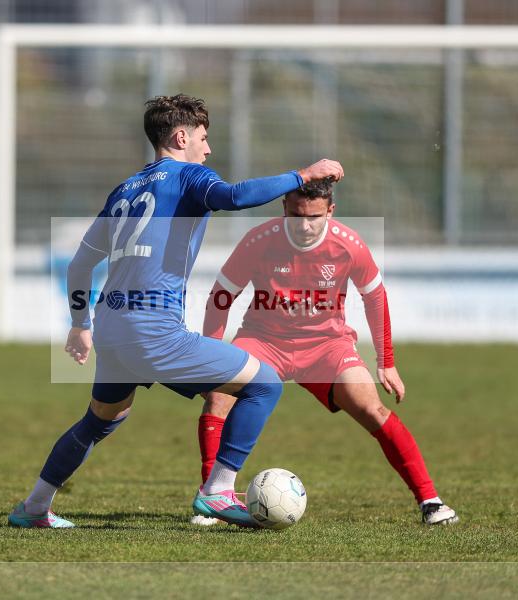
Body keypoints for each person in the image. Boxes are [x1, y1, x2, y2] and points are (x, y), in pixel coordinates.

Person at [8, 94, 344, 528]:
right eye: (203, 139)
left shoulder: (124, 190)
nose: (208, 149)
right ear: (181, 136)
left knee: (102, 418)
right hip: (153, 328)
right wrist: (303, 174)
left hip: (111, 324)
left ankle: (35, 507)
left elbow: (80, 265)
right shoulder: (188, 178)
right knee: (264, 383)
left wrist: (79, 325)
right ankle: (219, 491)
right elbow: (236, 197)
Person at [192, 179, 459, 526]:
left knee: (371, 407)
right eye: (296, 216)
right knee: (218, 398)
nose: (304, 225)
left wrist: (386, 363)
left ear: (330, 211)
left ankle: (430, 501)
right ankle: (215, 497)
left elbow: (375, 297)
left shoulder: (348, 245)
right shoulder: (259, 241)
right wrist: (212, 357)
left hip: (326, 347)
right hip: (263, 340)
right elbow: (221, 295)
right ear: (283, 208)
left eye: (314, 217)